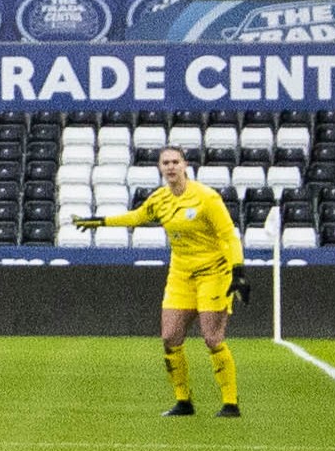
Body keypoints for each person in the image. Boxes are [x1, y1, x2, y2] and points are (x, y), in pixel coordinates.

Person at [77, 144, 246, 417]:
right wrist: (101, 221)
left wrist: (238, 272)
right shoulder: (159, 199)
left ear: (185, 165)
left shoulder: (206, 198)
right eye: (165, 162)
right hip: (180, 274)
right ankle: (183, 401)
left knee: (212, 338)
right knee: (170, 336)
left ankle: (230, 403)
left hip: (213, 273)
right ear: (160, 167)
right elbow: (137, 217)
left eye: (175, 162)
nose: (170, 167)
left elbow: (228, 236)